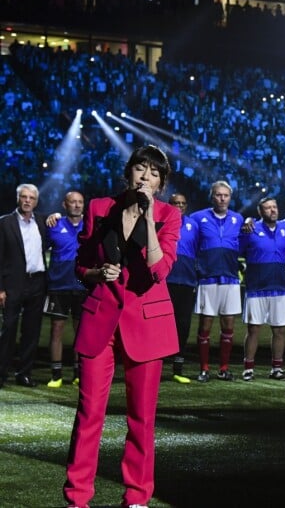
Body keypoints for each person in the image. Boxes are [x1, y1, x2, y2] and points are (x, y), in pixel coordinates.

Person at [63, 145, 181, 508]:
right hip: (102, 321)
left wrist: (146, 219)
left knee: (141, 419)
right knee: (88, 414)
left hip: (147, 325)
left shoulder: (168, 215)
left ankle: (137, 498)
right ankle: (77, 497)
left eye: (154, 172)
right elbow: (81, 265)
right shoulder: (100, 208)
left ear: (160, 183)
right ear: (128, 172)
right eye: (140, 168)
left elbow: (161, 270)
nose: (145, 176)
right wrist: (98, 273)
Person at [190, 180, 243, 382]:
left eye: (226, 195)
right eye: (218, 195)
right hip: (207, 279)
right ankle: (204, 368)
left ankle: (224, 368)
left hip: (230, 278)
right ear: (212, 196)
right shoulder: (197, 219)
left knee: (228, 325)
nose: (222, 198)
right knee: (205, 326)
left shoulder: (238, 219)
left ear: (230, 197)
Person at [0, 183, 48, 388]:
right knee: (8, 329)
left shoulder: (43, 221)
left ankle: (24, 373)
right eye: (24, 197)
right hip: (12, 284)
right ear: (18, 198)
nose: (28, 200)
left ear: (36, 201)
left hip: (37, 282)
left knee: (32, 331)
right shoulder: (4, 222)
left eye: (32, 198)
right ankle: (1, 373)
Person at [239, 196, 285, 381]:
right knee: (254, 330)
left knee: (280, 331)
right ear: (260, 212)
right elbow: (237, 250)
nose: (272, 210)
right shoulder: (250, 229)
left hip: (279, 288)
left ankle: (277, 368)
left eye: (274, 207)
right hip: (256, 288)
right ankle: (248, 368)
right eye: (268, 208)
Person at [45, 191, 86, 388]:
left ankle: (79, 372)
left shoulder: (91, 225)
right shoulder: (54, 224)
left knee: (81, 331)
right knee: (57, 329)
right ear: (64, 204)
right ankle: (56, 374)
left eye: (80, 202)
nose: (77, 205)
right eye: (73, 202)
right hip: (58, 285)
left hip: (83, 286)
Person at [166, 193, 198, 384]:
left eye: (182, 203)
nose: (179, 206)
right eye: (175, 203)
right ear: (169, 205)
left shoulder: (193, 225)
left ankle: (178, 367)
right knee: (160, 325)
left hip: (186, 282)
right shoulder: (159, 222)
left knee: (183, 325)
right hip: (164, 281)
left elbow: (199, 250)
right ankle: (154, 364)